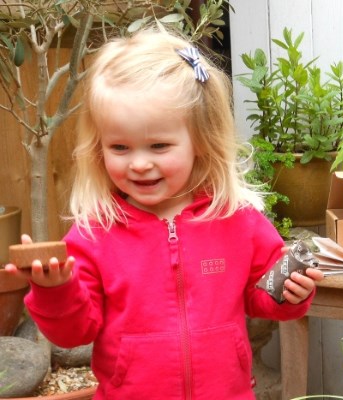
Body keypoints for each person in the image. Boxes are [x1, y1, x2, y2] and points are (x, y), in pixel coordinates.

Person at [5, 27, 324, 399]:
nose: (140, 163)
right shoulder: (95, 234)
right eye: (120, 147)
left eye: (158, 146)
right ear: (99, 148)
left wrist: (290, 293)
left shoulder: (235, 219)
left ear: (200, 140)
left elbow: (263, 297)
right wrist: (55, 290)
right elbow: (74, 333)